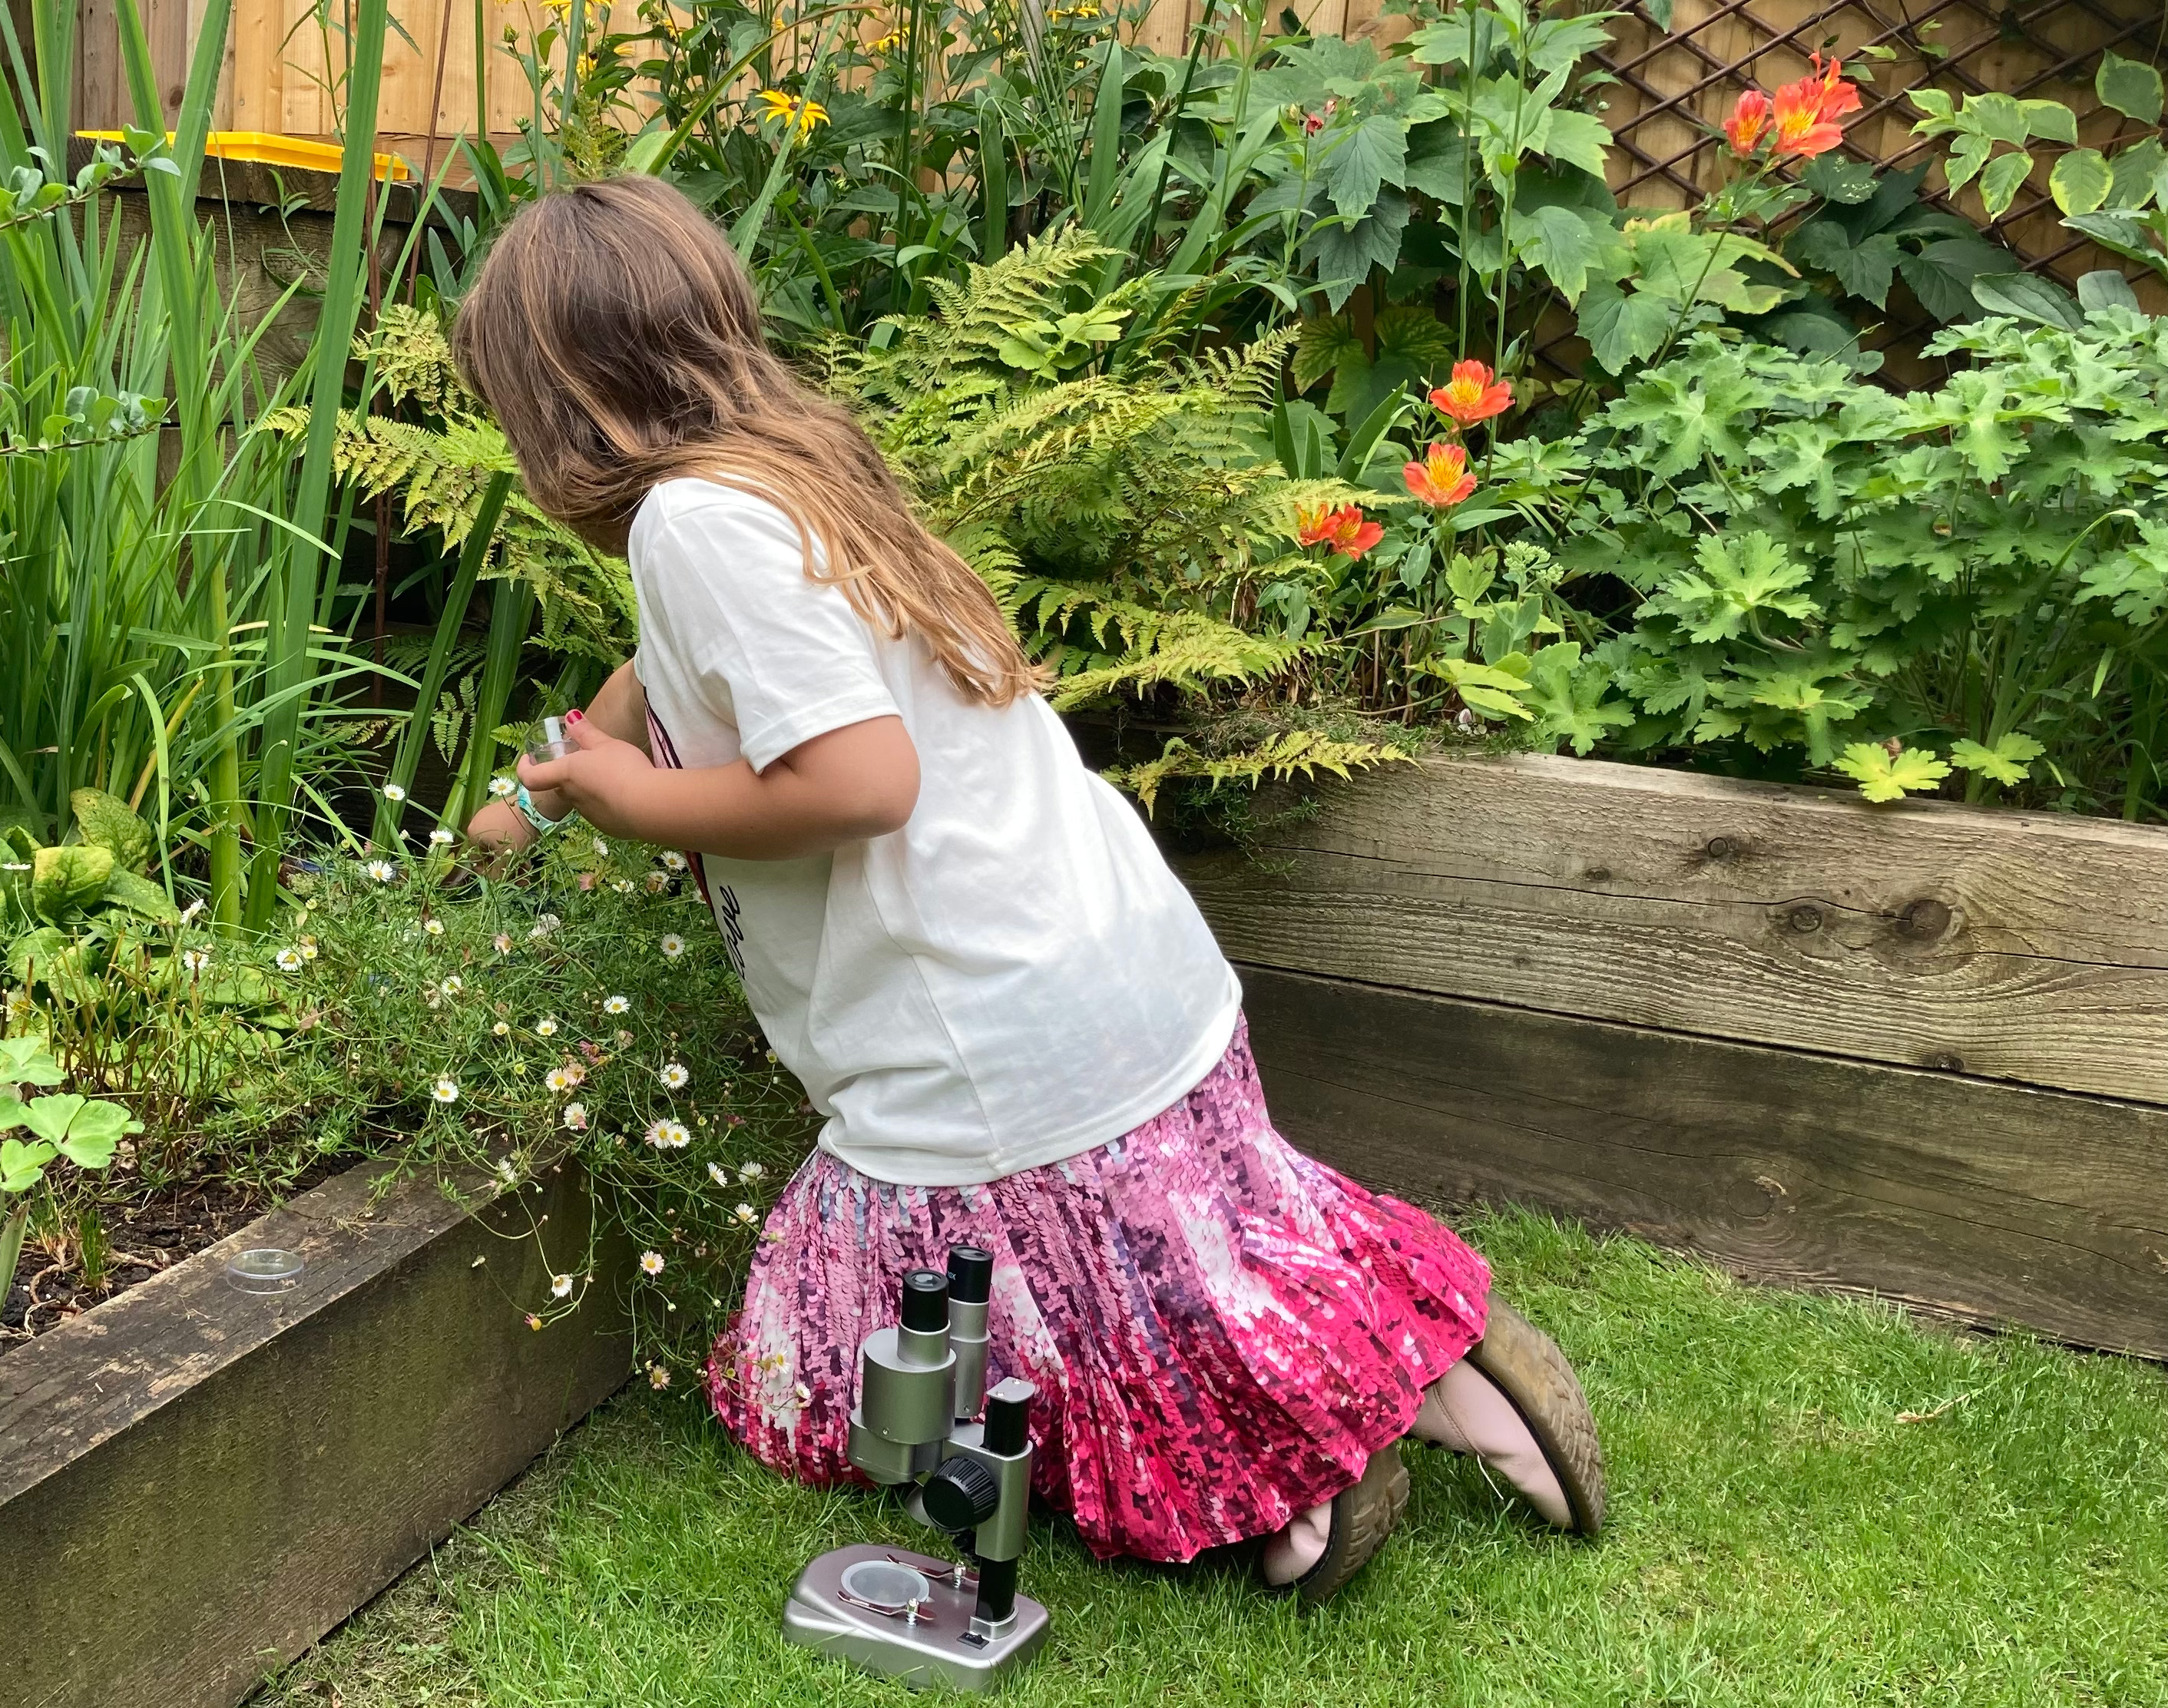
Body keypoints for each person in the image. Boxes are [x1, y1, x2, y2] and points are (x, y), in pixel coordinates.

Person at [456, 176, 1603, 1603]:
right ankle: (1401, 1346)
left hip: (983, 1054)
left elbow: (864, 783)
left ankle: (1308, 1451)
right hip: (1125, 985)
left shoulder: (690, 526)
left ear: (558, 402)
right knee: (1193, 1246)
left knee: (816, 1364)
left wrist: (633, 806)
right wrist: (557, 769)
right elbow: (677, 673)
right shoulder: (790, 470)